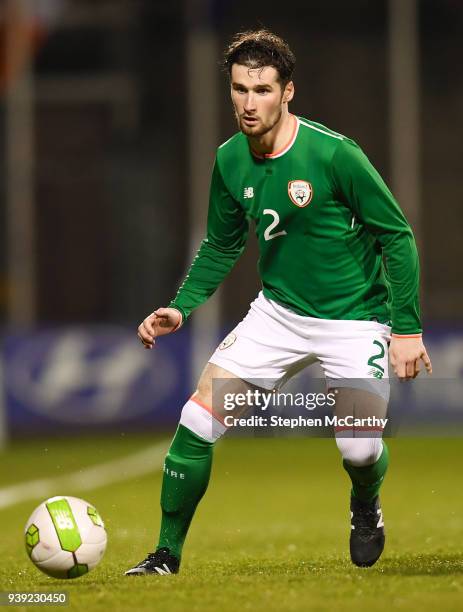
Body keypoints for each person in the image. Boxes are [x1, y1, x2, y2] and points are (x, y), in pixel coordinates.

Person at [125, 29, 432, 576]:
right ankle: (165, 556)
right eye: (240, 89)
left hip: (355, 321)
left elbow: (398, 236)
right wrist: (182, 305)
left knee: (359, 451)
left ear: (287, 91)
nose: (249, 102)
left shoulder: (336, 154)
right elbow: (222, 242)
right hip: (278, 316)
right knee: (197, 419)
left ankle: (366, 503)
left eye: (262, 89)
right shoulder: (228, 160)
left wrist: (406, 330)